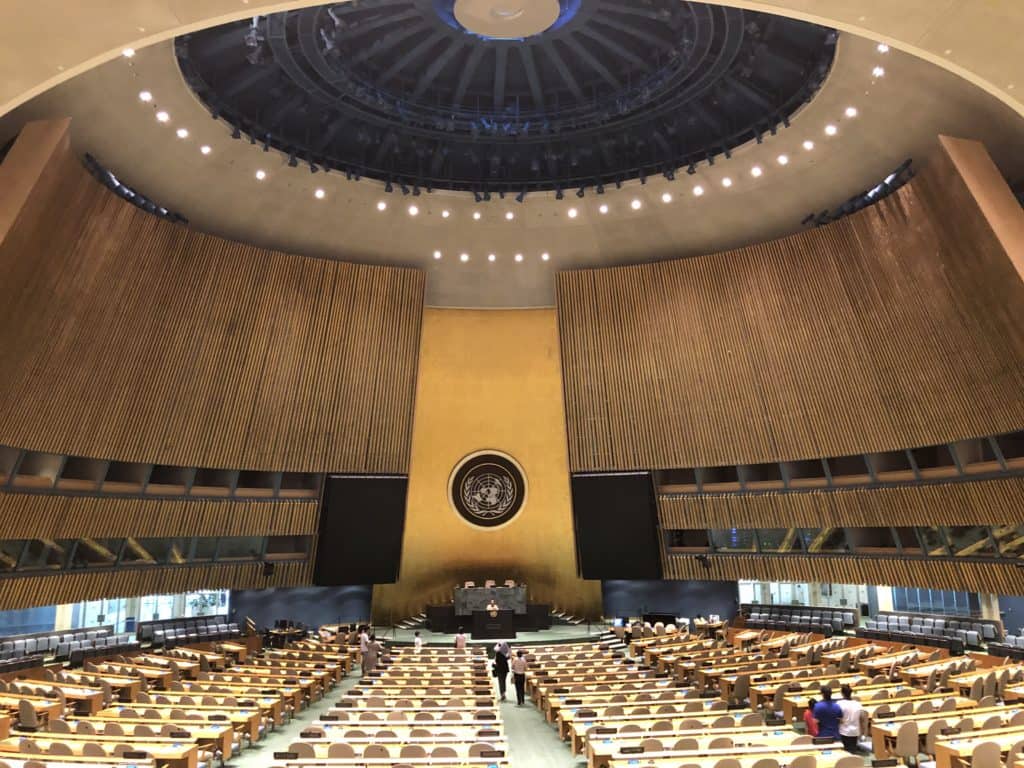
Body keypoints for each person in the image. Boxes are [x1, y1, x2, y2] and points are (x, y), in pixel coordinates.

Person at [837, 684, 866, 753]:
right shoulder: (857, 704)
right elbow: (862, 718)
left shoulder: (839, 703)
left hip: (844, 731)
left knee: (845, 752)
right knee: (853, 750)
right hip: (855, 732)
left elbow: (838, 718)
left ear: (842, 693)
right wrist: (863, 732)